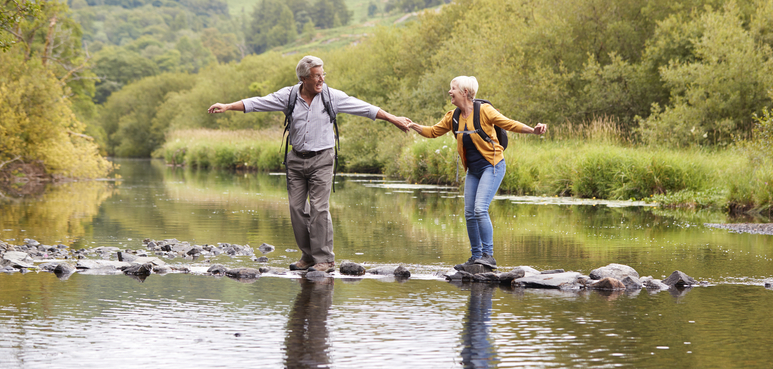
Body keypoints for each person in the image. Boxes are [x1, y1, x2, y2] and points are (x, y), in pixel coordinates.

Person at [208, 55, 410, 273]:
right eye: (317, 76)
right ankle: (308, 256)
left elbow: (364, 107)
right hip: (295, 160)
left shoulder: (332, 97)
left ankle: (325, 259)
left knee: (319, 208)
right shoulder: (289, 95)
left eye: (323, 74)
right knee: (296, 208)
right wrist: (228, 106)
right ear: (303, 78)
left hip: (322, 159)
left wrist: (393, 119)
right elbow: (258, 102)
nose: (322, 79)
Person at [407, 76, 547, 270]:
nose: (450, 92)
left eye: (453, 88)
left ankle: (488, 256)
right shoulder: (452, 117)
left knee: (480, 209)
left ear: (465, 92)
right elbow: (432, 131)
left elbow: (509, 124)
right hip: (473, 170)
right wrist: (413, 126)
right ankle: (475, 257)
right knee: (469, 213)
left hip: (493, 165)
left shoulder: (484, 111)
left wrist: (533, 131)